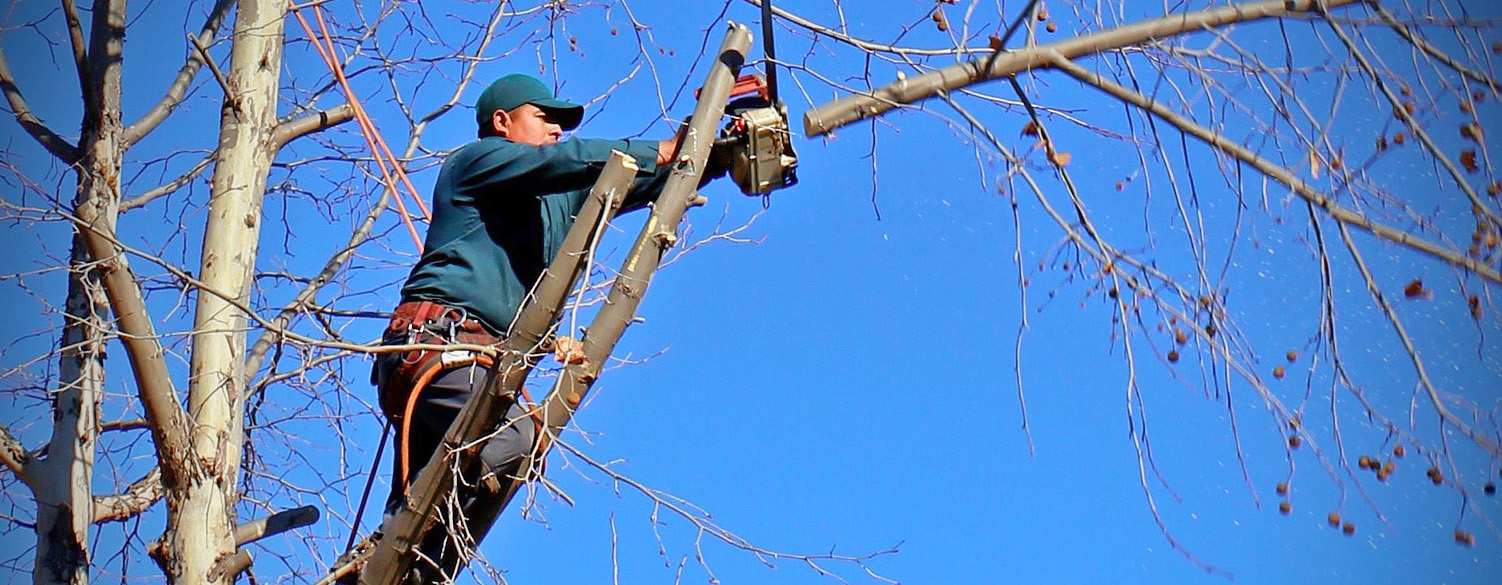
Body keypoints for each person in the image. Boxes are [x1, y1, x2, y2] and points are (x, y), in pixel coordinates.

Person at [370, 73, 709, 582]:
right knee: (514, 441)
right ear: (503, 122)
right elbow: (568, 161)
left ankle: (388, 570)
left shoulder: (558, 199)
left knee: (445, 516)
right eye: (544, 117)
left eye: (561, 123)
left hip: (476, 366)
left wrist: (714, 150)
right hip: (439, 344)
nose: (556, 129)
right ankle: (388, 547)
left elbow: (647, 178)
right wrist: (658, 148)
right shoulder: (475, 161)